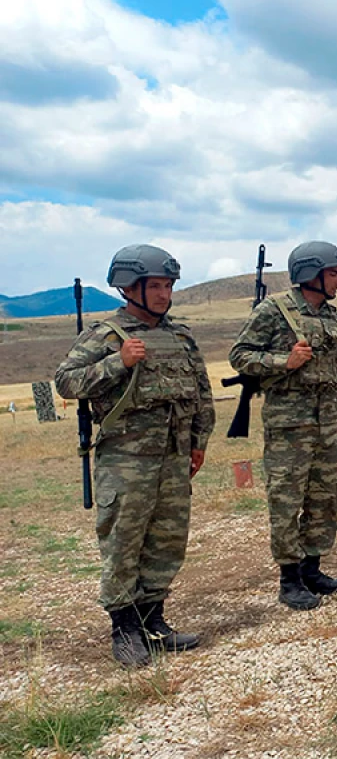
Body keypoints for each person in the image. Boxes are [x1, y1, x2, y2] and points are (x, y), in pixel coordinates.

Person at [55, 245, 214, 667]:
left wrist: (199, 441)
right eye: (156, 286)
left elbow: (200, 393)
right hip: (126, 461)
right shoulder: (106, 335)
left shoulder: (181, 336)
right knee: (124, 542)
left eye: (168, 286)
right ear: (129, 288)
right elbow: (66, 382)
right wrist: (116, 363)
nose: (165, 294)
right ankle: (124, 629)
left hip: (174, 456)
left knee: (166, 542)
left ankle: (153, 620)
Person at [229, 241, 337, 610]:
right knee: (287, 501)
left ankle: (313, 568)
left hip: (328, 424)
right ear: (311, 275)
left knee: (324, 499)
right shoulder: (273, 311)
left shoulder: (332, 317)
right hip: (290, 427)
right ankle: (290, 578)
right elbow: (240, 355)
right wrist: (285, 361)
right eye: (334, 274)